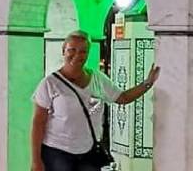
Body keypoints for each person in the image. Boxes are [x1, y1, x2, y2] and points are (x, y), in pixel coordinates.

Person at [31, 30, 160, 171]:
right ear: (63, 51)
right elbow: (38, 124)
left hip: (89, 152)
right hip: (57, 152)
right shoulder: (50, 84)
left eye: (83, 51)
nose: (77, 55)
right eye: (71, 50)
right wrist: (36, 160)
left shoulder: (98, 79)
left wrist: (147, 83)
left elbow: (122, 98)